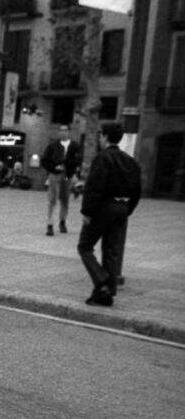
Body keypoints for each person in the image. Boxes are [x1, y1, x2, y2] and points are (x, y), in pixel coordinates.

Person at [77, 122, 141, 308]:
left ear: (104, 137)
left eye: (100, 135)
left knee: (85, 246)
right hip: (122, 207)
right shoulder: (131, 161)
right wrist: (128, 209)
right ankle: (105, 293)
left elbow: (95, 187)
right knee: (112, 251)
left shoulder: (103, 158)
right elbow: (138, 190)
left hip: (103, 207)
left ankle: (102, 280)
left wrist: (87, 212)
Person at [41, 124, 82, 236]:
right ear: (59, 132)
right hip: (55, 174)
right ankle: (50, 224)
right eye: (61, 130)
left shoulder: (75, 146)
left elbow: (78, 160)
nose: (63, 132)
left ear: (69, 132)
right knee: (52, 200)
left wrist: (66, 164)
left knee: (65, 199)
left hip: (67, 174)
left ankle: (62, 221)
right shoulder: (52, 146)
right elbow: (44, 160)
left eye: (65, 130)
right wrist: (54, 167)